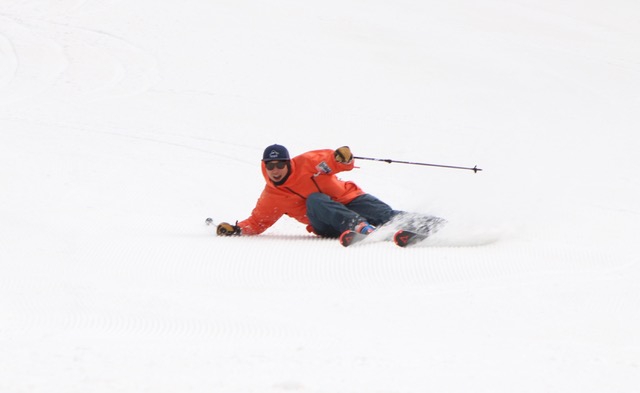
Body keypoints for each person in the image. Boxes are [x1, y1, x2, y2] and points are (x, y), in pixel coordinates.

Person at [216, 144, 443, 245]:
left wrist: (343, 156)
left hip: (350, 199)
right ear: (264, 166)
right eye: (270, 165)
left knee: (386, 214)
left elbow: (337, 161)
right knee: (315, 201)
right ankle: (361, 227)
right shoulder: (272, 195)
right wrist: (237, 230)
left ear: (287, 162)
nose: (275, 170)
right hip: (326, 224)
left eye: (279, 164)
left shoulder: (309, 162)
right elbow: (258, 222)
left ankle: (437, 225)